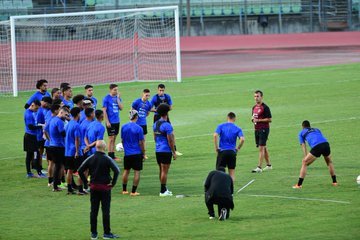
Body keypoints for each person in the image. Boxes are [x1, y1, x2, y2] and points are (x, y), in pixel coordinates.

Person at [78, 140, 120, 240]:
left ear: (96, 147)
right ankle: (106, 233)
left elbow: (80, 170)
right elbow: (117, 171)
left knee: (93, 211)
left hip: (94, 187)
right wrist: (113, 183)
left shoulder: (91, 158)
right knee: (105, 211)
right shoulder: (107, 158)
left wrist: (86, 182)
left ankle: (94, 234)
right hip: (105, 187)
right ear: (104, 148)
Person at [293, 120, 337, 188]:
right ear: (309, 126)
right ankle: (334, 182)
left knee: (304, 162)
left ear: (302, 127)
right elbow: (320, 137)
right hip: (326, 144)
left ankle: (299, 185)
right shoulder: (316, 129)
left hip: (317, 146)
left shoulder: (301, 132)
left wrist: (305, 156)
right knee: (329, 162)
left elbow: (303, 145)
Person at [151, 84, 182, 156]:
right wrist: (158, 110)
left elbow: (171, 107)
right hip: (157, 117)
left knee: (171, 133)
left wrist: (165, 110)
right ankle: (158, 148)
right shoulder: (154, 98)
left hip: (165, 117)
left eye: (162, 90)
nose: (161, 92)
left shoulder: (167, 97)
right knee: (157, 134)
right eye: (160, 90)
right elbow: (150, 108)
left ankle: (174, 149)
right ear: (157, 90)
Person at [153, 103, 177, 197]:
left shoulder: (155, 124)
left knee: (161, 170)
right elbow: (170, 140)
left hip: (158, 150)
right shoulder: (167, 125)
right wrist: (173, 152)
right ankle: (162, 191)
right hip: (165, 150)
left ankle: (163, 188)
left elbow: (155, 137)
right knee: (165, 171)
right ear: (166, 113)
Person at [214, 112, 245, 182]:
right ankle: (230, 191)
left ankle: (221, 190)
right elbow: (242, 139)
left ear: (227, 118)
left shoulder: (221, 126)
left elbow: (215, 135)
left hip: (222, 151)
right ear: (234, 119)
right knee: (232, 173)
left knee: (220, 173)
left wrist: (216, 148)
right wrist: (238, 148)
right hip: (232, 152)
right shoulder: (237, 128)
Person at [121, 110, 145, 196]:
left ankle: (124, 190)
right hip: (137, 153)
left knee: (126, 171)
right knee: (137, 172)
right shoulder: (139, 128)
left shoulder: (123, 127)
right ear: (137, 117)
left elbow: (122, 140)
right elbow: (141, 142)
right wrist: (143, 153)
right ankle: (133, 191)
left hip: (127, 153)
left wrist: (126, 149)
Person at [49, 106, 70, 191]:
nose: (66, 116)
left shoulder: (53, 120)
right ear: (61, 112)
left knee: (59, 165)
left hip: (53, 145)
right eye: (65, 114)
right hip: (58, 146)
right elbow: (63, 134)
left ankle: (57, 184)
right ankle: (56, 186)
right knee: (60, 166)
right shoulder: (59, 122)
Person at [251, 90, 272, 173]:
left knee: (261, 148)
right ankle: (269, 165)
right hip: (257, 129)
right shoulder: (254, 107)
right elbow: (253, 117)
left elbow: (269, 119)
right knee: (263, 147)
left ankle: (259, 167)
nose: (256, 98)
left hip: (264, 129)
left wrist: (259, 120)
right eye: (255, 96)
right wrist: (253, 120)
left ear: (261, 97)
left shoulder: (265, 107)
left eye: (258, 96)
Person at [23, 100, 45, 178]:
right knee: (37, 154)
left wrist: (39, 125)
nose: (37, 110)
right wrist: (41, 127)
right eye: (36, 108)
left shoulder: (29, 112)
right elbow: (31, 127)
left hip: (30, 136)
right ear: (32, 105)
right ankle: (39, 173)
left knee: (30, 155)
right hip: (30, 137)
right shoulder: (29, 114)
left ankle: (29, 173)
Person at [102, 84, 123, 160]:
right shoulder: (106, 98)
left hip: (117, 121)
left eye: (117, 89)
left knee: (114, 138)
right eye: (115, 90)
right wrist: (107, 121)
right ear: (110, 90)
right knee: (110, 138)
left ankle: (112, 155)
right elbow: (104, 111)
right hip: (110, 121)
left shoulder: (117, 98)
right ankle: (109, 156)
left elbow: (121, 108)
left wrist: (118, 99)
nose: (116, 91)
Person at [64, 107, 82, 194]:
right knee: (80, 170)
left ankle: (69, 189)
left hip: (67, 151)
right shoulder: (76, 125)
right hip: (74, 151)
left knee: (70, 170)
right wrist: (77, 151)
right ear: (78, 114)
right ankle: (80, 189)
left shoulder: (68, 124)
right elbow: (77, 139)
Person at [131, 89, 152, 159]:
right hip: (136, 124)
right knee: (135, 139)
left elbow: (148, 112)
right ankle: (135, 153)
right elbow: (132, 111)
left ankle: (143, 154)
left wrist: (143, 117)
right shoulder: (137, 102)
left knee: (143, 140)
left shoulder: (149, 104)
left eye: (149, 96)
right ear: (143, 94)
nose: (147, 97)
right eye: (146, 95)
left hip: (143, 124)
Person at [44, 104, 61, 187]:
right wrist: (50, 139)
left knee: (51, 163)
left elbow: (45, 130)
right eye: (59, 109)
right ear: (55, 111)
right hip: (54, 144)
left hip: (49, 144)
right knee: (56, 164)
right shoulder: (55, 119)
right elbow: (45, 131)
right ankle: (56, 182)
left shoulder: (50, 119)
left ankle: (50, 181)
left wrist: (48, 139)